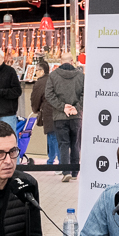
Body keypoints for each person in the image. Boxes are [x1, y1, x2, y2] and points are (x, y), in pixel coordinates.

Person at [46, 51, 83, 182]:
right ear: (72, 61)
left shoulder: (53, 76)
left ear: (60, 62)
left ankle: (65, 171)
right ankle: (74, 172)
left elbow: (49, 95)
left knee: (63, 144)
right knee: (75, 144)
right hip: (76, 116)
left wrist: (62, 107)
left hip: (60, 117)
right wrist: (75, 108)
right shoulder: (80, 76)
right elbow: (85, 94)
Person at [28, 59, 58, 167]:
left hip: (48, 113)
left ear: (41, 71)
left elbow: (35, 98)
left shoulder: (40, 82)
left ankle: (59, 163)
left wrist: (35, 109)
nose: (36, 73)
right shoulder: (54, 79)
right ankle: (51, 161)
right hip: (58, 112)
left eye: (36, 70)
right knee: (52, 136)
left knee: (53, 137)